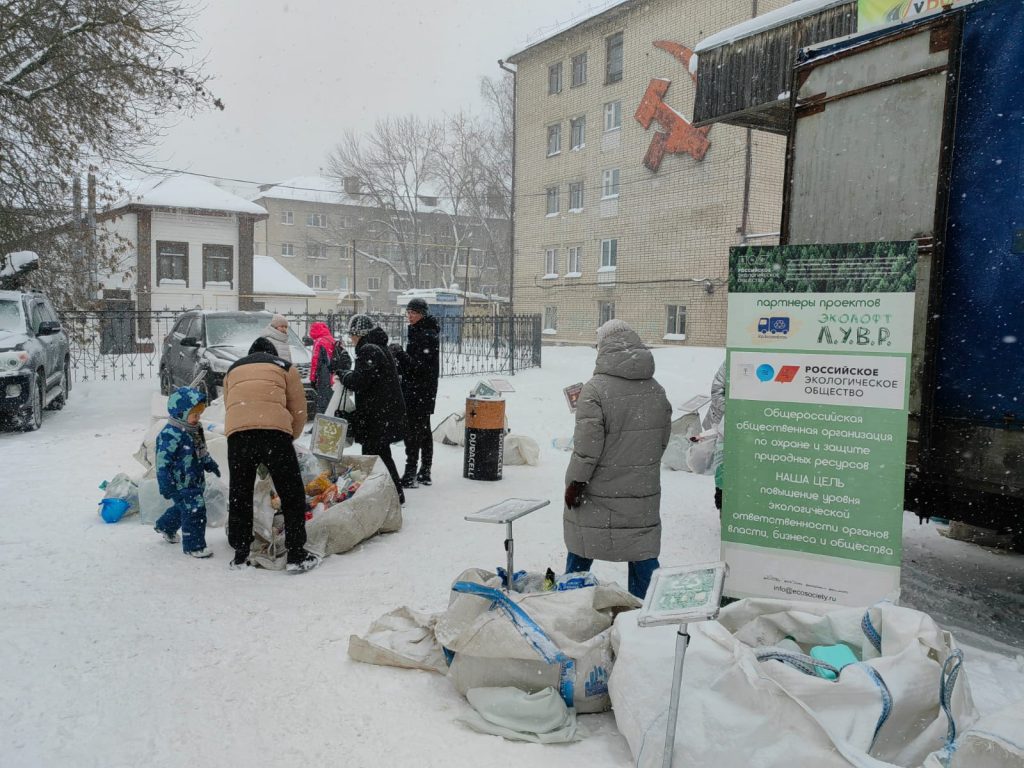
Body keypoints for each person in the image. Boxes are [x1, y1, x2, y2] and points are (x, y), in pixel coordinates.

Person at [562, 319, 672, 599]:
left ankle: (571, 601)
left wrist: (576, 482)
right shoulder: (656, 389)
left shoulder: (595, 390)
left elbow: (587, 449)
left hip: (597, 490)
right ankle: (643, 612)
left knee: (583, 546)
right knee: (642, 551)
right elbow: (661, 438)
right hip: (641, 489)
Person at [223, 336, 319, 572]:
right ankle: (296, 553)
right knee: (291, 492)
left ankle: (240, 552)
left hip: (239, 435)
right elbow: (298, 408)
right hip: (274, 434)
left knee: (240, 492)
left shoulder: (233, 369)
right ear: (273, 353)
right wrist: (290, 436)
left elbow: (230, 404)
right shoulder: (285, 367)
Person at [339, 314, 408, 504]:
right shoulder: (377, 347)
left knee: (375, 456)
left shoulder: (369, 350)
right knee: (380, 454)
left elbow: (360, 381)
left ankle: (390, 494)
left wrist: (344, 375)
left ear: (358, 334)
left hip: (377, 415)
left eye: (352, 334)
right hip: (383, 412)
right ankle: (393, 493)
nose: (351, 339)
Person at [154, 387, 221, 558]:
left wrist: (209, 463)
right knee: (195, 511)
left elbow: (201, 450)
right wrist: (166, 484)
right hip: (179, 482)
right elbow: (162, 463)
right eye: (194, 415)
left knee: (184, 507)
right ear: (181, 412)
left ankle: (165, 526)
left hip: (195, 478)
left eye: (199, 414)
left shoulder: (194, 429)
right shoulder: (170, 435)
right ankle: (194, 546)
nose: (197, 418)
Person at [390, 297, 439, 488]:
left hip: (419, 390)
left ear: (422, 314)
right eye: (408, 312)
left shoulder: (426, 335)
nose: (410, 316)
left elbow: (419, 367)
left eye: (414, 313)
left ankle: (411, 473)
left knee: (414, 432)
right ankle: (425, 471)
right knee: (424, 430)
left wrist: (400, 354)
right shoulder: (421, 332)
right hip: (422, 389)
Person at [308, 321, 349, 415]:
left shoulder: (319, 342)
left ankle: (318, 426)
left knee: (322, 404)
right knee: (331, 403)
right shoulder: (331, 339)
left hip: (324, 376)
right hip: (333, 376)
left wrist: (313, 379)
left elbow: (315, 362)